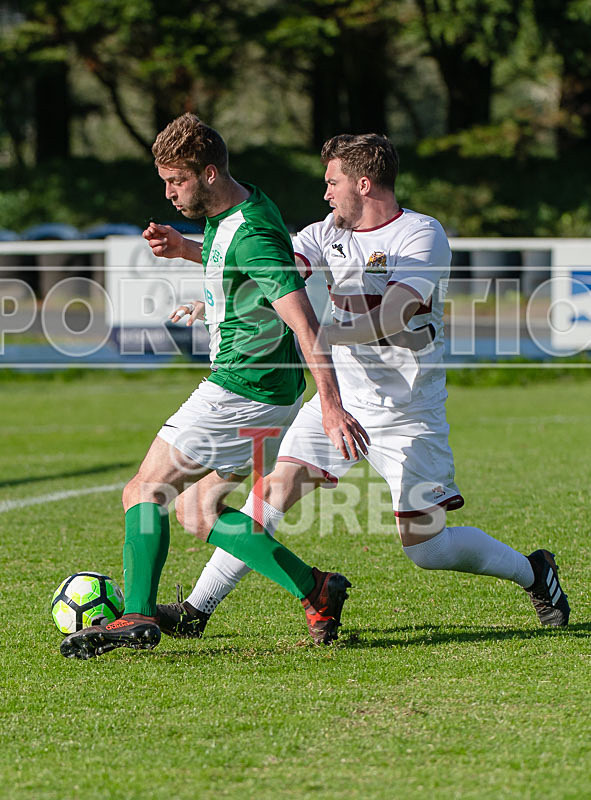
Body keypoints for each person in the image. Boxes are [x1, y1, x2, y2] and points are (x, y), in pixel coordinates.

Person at [156, 132, 570, 640]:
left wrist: (310, 331)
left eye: (333, 182)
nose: (325, 193)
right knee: (268, 497)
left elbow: (394, 315)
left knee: (426, 549)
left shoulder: (420, 235)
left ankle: (534, 572)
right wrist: (187, 252)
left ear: (364, 183)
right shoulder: (323, 232)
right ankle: (197, 611)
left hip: (406, 414)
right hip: (338, 401)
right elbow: (266, 270)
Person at [60, 114, 369, 660]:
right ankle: (316, 588)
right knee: (199, 511)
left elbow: (304, 323)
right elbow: (230, 254)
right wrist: (184, 247)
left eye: (176, 181)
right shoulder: (241, 214)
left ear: (207, 173)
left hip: (240, 387)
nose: (168, 193)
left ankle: (134, 614)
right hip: (266, 393)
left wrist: (332, 404)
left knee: (144, 490)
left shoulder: (253, 232)